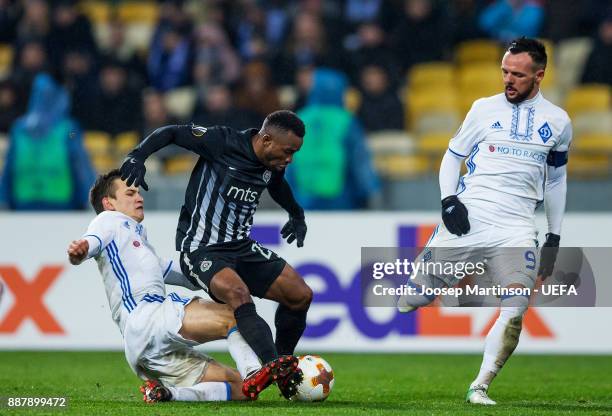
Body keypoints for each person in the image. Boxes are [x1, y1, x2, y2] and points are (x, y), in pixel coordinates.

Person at [397, 38, 571, 405]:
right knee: (410, 300)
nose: (509, 79)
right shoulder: (482, 109)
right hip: (470, 218)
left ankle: (480, 385)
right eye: (505, 71)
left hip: (517, 227)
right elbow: (450, 157)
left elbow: (556, 181)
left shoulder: (558, 121)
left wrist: (554, 236)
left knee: (515, 308)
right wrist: (448, 201)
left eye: (518, 75)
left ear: (539, 76)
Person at [119, 110, 312, 399]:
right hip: (201, 248)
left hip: (240, 247)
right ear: (267, 139)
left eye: (294, 153)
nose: (290, 159)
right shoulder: (222, 141)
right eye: (288, 151)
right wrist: (137, 156)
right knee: (238, 294)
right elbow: (172, 131)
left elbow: (276, 184)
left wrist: (296, 212)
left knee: (300, 295)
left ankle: (282, 368)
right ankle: (272, 364)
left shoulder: (272, 162)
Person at [67, 169, 269, 403]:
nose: (139, 198)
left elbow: (186, 275)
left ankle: (167, 394)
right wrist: (80, 250)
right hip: (148, 318)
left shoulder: (137, 243)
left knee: (241, 390)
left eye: (139, 193)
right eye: (131, 193)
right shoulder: (109, 220)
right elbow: (92, 240)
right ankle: (255, 370)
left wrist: (223, 271)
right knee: (235, 313)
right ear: (108, 203)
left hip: (143, 348)